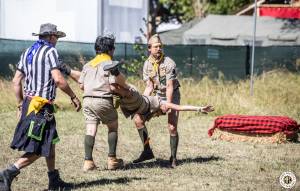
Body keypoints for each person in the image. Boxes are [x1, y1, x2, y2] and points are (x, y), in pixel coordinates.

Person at [0, 23, 81, 191]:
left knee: (50, 143)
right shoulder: (50, 51)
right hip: (41, 108)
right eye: (56, 37)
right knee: (39, 149)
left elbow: (16, 81)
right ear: (51, 37)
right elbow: (58, 79)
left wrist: (20, 104)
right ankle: (9, 172)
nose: (57, 40)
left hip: (31, 104)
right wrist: (73, 96)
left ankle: (54, 181)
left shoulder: (27, 52)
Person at [133, 34, 181, 167]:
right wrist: (141, 103)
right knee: (138, 119)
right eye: (156, 47)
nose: (159, 49)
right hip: (158, 95)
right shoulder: (147, 64)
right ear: (149, 48)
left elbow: (170, 86)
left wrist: (169, 105)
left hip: (172, 94)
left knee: (172, 126)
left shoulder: (169, 63)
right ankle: (147, 151)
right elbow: (149, 87)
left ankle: (173, 157)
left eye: (160, 46)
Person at [78, 34, 123, 171]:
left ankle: (88, 162)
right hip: (103, 100)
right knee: (113, 126)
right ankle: (112, 160)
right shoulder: (109, 64)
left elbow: (81, 85)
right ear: (110, 50)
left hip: (87, 100)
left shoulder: (87, 65)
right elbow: (114, 85)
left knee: (91, 129)